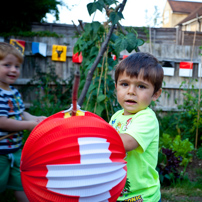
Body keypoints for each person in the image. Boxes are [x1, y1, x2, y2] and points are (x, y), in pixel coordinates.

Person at [109, 52, 164, 202]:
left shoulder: (146, 118)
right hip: (117, 193)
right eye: (124, 84)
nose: (131, 91)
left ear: (155, 94)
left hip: (142, 197)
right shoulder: (116, 116)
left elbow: (125, 143)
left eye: (141, 86)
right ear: (116, 87)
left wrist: (93, 135)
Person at [0, 42, 46, 202]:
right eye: (7, 65)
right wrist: (29, 125)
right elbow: (2, 122)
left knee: (21, 183)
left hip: (15, 149)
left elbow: (20, 113)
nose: (13, 70)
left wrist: (35, 119)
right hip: (0, 153)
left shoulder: (13, 92)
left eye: (17, 66)